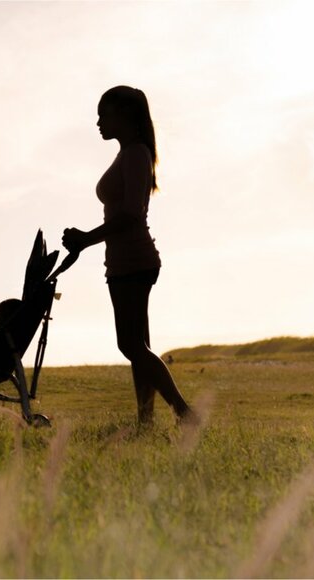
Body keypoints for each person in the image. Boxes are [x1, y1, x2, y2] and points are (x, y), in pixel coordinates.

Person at [62, 86, 198, 426]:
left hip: (135, 260)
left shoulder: (136, 154)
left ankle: (184, 412)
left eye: (104, 114)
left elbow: (131, 214)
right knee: (139, 345)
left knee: (130, 345)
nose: (98, 122)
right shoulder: (127, 153)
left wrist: (85, 239)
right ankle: (145, 421)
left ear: (126, 116)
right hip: (122, 262)